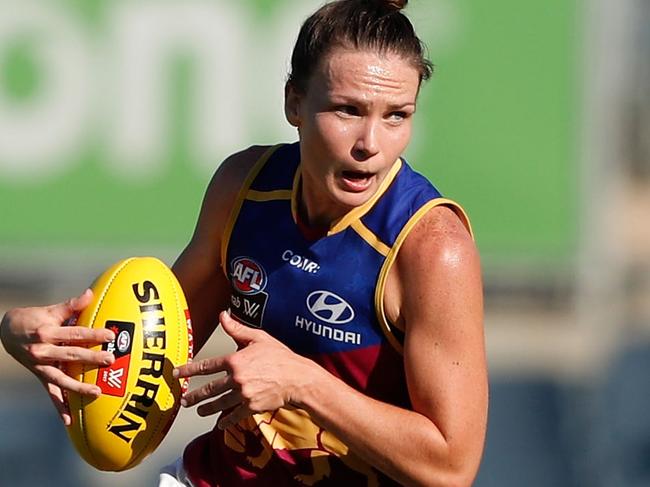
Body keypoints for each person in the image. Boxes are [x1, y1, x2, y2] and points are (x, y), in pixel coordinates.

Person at [0, 0, 488, 485]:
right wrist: (41, 337)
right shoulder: (246, 187)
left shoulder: (430, 247)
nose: (370, 144)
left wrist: (302, 383)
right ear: (293, 102)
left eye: (397, 116)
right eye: (348, 110)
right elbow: (159, 346)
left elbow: (450, 467)